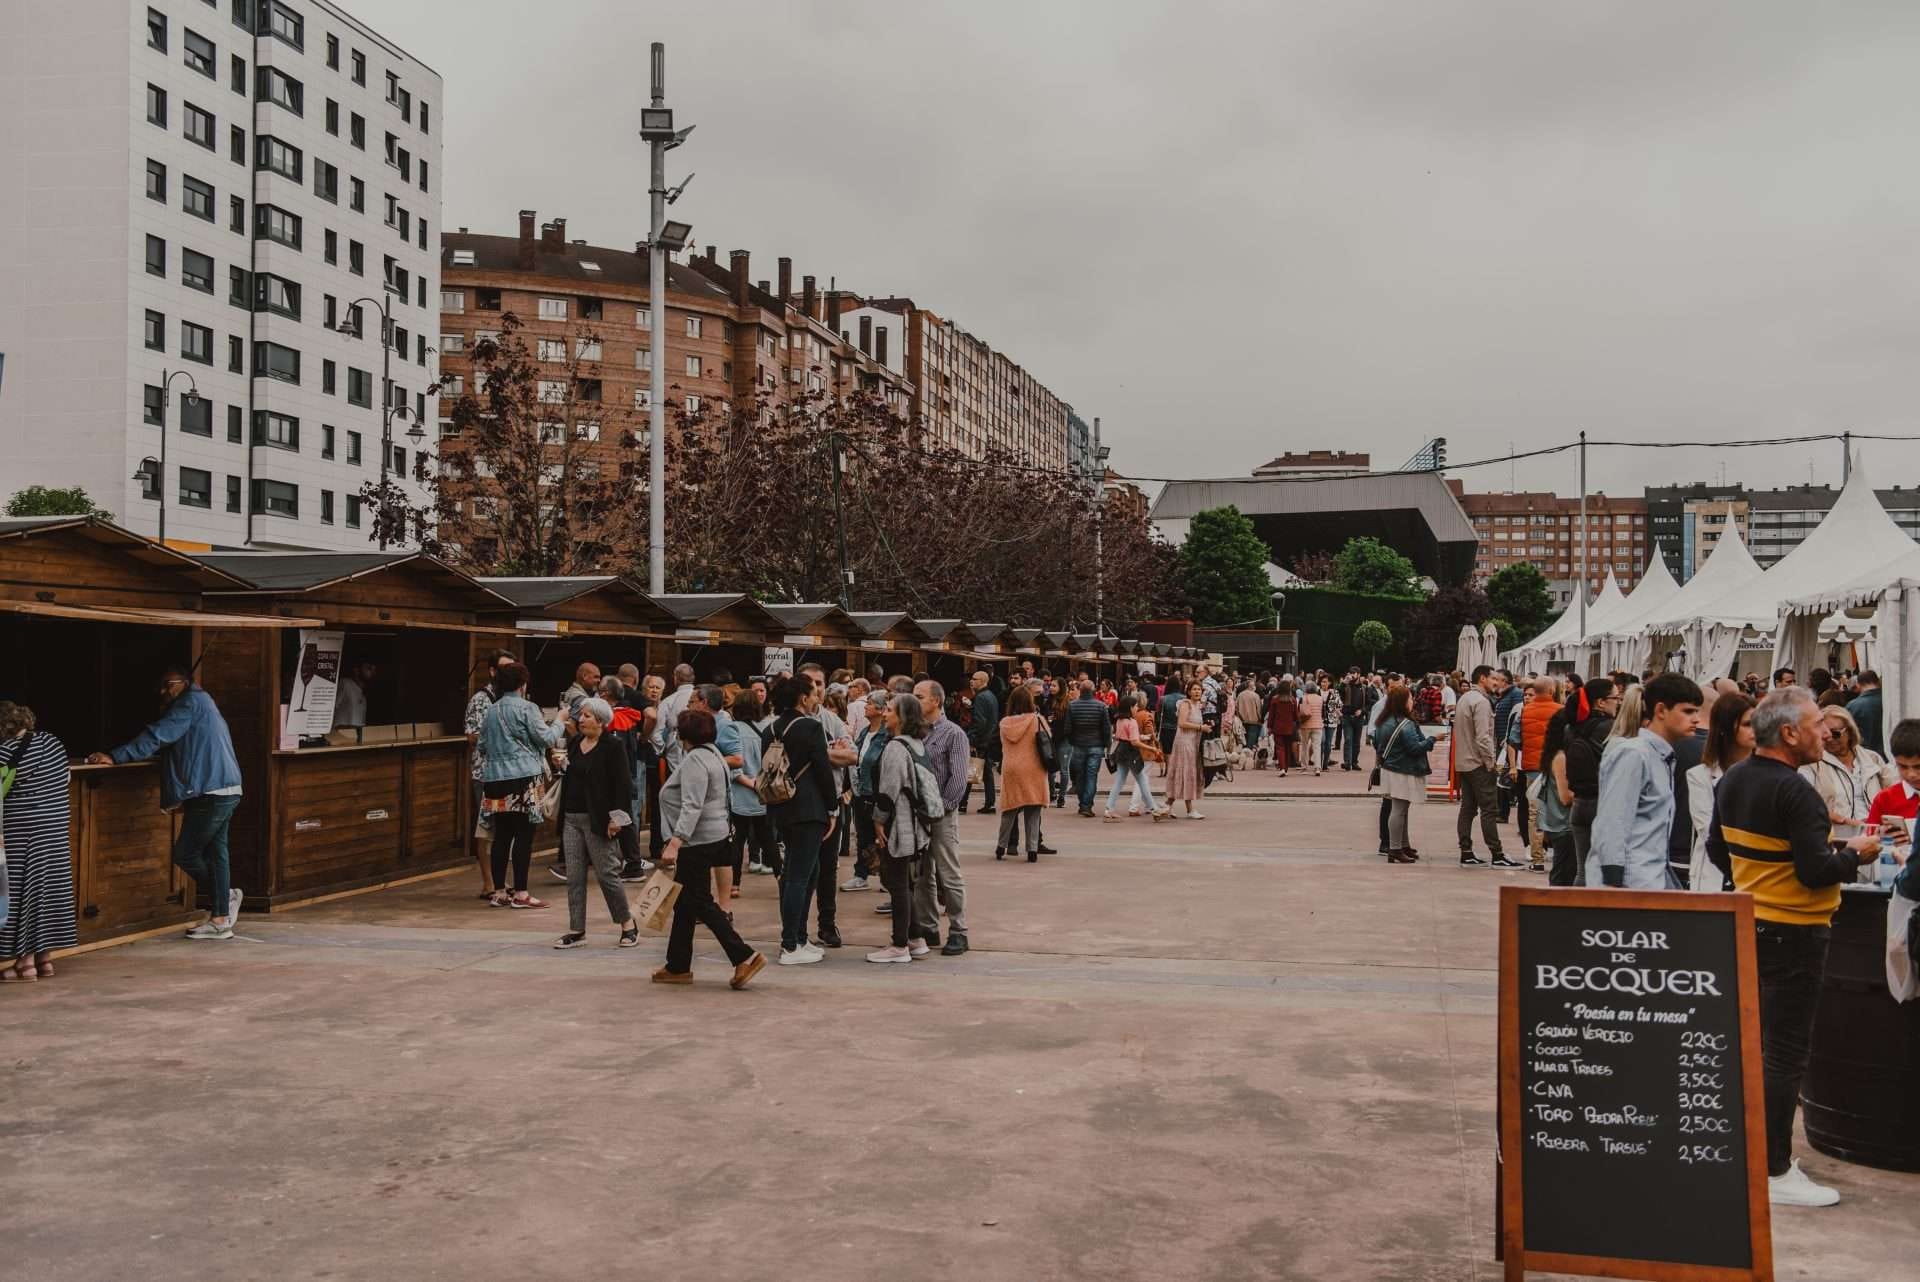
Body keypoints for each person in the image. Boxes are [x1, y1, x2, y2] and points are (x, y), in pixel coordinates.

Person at [1706, 687, 1883, 1207]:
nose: (1824, 732)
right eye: (1814, 724)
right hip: (1796, 934)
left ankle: (1756, 1154)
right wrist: (1855, 853)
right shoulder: (1797, 792)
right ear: (1788, 734)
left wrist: (1757, 882)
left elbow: (1720, 849)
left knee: (1757, 1047)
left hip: (1750, 924)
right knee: (1784, 1054)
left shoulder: (1735, 779)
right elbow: (1815, 871)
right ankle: (1774, 1170)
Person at [87, 666, 245, 939]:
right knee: (217, 853)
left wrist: (116, 756)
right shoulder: (202, 701)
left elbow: (157, 736)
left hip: (211, 789)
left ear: (184, 682)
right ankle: (220, 917)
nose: (163, 691)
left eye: (167, 685)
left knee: (185, 853)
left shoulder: (189, 703)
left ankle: (224, 900)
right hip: (225, 786)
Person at [653, 707, 765, 988]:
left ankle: (744, 956)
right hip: (713, 835)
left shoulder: (695, 761)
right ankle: (677, 965)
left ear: (683, 735)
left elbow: (693, 805)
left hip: (696, 840)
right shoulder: (714, 754)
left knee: (700, 901)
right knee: (685, 903)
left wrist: (675, 842)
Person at [1587, 672, 1704, 889]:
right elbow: (1612, 822)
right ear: (1660, 710)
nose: (1696, 719)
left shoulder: (1660, 755)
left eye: (1697, 711)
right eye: (1688, 711)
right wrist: (1612, 884)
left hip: (1649, 881)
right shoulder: (1635, 753)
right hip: (1630, 887)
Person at [551, 697, 640, 950]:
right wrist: (562, 765)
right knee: (574, 876)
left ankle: (627, 923)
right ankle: (576, 929)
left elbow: (623, 786)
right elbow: (575, 775)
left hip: (599, 818)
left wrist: (617, 819)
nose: (581, 719)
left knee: (606, 874)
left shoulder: (612, 746)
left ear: (600, 721)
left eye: (587, 715)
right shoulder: (577, 742)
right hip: (572, 817)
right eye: (581, 715)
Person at [475, 661, 562, 910]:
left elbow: (481, 746)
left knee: (501, 835)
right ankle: (521, 893)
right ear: (523, 684)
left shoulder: (491, 710)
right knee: (524, 836)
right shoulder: (528, 708)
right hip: (524, 778)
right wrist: (559, 721)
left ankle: (500, 891)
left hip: (494, 779)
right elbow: (546, 739)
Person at [764, 675, 837, 965]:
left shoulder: (769, 728)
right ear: (803, 698)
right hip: (809, 808)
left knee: (808, 870)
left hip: (780, 806)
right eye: (813, 691)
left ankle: (800, 938)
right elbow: (822, 769)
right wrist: (832, 808)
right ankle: (790, 944)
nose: (817, 695)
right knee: (798, 876)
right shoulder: (810, 726)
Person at [0, 703, 76, 980]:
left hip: (21, 831)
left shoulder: (4, 752)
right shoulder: (53, 742)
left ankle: (25, 962)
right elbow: (65, 777)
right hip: (55, 829)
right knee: (49, 889)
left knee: (21, 892)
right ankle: (45, 961)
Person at [866, 693, 935, 963]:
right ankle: (916, 939)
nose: (885, 714)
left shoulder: (896, 747)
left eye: (890, 710)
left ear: (902, 716)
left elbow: (888, 791)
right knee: (905, 882)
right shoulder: (917, 744)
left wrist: (878, 820)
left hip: (899, 823)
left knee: (896, 883)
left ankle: (899, 945)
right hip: (917, 825)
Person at [912, 680, 971, 956]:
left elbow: (959, 777)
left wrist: (944, 807)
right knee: (923, 874)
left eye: (919, 696)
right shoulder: (915, 732)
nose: (915, 700)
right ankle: (928, 926)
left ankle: (959, 930)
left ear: (936, 701)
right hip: (918, 813)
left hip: (942, 814)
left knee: (948, 872)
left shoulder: (953, 734)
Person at [1686, 691, 1754, 893]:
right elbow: (1708, 830)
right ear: (1726, 727)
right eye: (1748, 724)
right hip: (1715, 877)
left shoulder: (1770, 774)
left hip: (1758, 877)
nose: (1757, 730)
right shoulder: (1700, 776)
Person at [463, 650, 517, 898]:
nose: (509, 673)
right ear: (493, 671)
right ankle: (489, 882)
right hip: (485, 773)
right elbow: (472, 736)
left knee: (507, 827)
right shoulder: (481, 699)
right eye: (505, 668)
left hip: (510, 772)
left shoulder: (514, 697)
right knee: (486, 827)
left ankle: (501, 879)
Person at [1801, 705, 1891, 844]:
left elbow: (1893, 791)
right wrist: (1846, 821)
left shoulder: (1872, 758)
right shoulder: (1811, 764)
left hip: (1877, 836)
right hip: (1836, 839)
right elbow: (1807, 805)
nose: (1829, 738)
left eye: (1835, 733)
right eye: (1823, 733)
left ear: (1849, 732)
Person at [1453, 665, 1513, 868]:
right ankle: (1497, 853)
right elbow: (1483, 738)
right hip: (1478, 763)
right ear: (1482, 679)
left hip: (1464, 762)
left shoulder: (1465, 698)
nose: (1497, 683)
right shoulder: (1481, 702)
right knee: (1489, 809)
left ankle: (1466, 851)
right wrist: (1491, 762)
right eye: (1493, 679)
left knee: (1468, 808)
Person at [1562, 677, 1620, 886]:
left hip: (1579, 805)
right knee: (1605, 871)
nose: (1618, 702)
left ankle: (1576, 915)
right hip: (1603, 804)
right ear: (1600, 702)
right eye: (1615, 697)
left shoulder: (1570, 729)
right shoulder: (1610, 728)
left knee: (1583, 871)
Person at [1372, 684, 1433, 864]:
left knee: (1401, 809)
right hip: (1403, 770)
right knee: (1399, 810)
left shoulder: (1384, 721)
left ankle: (1402, 845)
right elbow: (1415, 748)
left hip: (1391, 768)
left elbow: (1377, 744)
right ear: (1402, 702)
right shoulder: (1404, 723)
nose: (1412, 701)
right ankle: (1395, 848)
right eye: (1410, 698)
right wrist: (1431, 740)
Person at [722, 687, 776, 880]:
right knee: (768, 838)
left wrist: (748, 782)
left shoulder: (733, 729)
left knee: (738, 839)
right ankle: (781, 878)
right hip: (765, 793)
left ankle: (735, 883)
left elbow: (733, 765)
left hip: (741, 794)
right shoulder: (769, 728)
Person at [995, 683, 1049, 861]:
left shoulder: (1004, 723)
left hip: (1011, 767)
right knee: (1033, 809)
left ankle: (1001, 847)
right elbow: (1048, 737)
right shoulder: (1037, 719)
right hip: (1033, 767)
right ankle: (1032, 849)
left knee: (1010, 807)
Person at [842, 695, 891, 892]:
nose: (865, 707)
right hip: (860, 791)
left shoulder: (886, 735)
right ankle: (861, 874)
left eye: (870, 704)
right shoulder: (864, 732)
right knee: (863, 836)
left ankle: (888, 878)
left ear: (880, 710)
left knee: (883, 837)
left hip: (877, 793)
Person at [1103, 693, 1168, 821]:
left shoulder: (1119, 720)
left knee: (1120, 781)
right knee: (1142, 780)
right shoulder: (1131, 722)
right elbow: (1134, 742)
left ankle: (1109, 808)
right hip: (1131, 753)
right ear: (1130, 708)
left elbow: (1124, 737)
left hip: (1121, 751)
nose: (1137, 708)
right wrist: (1152, 748)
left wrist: (1142, 738)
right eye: (1135, 706)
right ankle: (1154, 809)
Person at [1518, 678, 1560, 871]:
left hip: (1533, 767)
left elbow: (1516, 738)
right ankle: (1558, 855)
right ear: (1552, 689)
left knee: (1535, 813)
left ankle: (1537, 859)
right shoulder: (1560, 710)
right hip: (1555, 767)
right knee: (1558, 810)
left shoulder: (1525, 710)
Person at [1064, 680, 1111, 817]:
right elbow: (1106, 728)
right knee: (1091, 776)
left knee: (1080, 776)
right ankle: (1087, 805)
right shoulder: (1101, 706)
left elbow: (1067, 728)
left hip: (1078, 745)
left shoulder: (1072, 706)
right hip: (1096, 746)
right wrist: (1107, 744)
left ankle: (1082, 803)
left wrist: (1073, 741)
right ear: (1093, 691)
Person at [1167, 680, 1209, 819]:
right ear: (1189, 691)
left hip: (1192, 743)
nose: (1197, 692)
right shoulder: (1185, 704)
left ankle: (1168, 805)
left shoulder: (1197, 706)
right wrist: (1200, 728)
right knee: (1186, 772)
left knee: (1185, 774)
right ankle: (1189, 809)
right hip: (1184, 743)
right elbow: (1182, 723)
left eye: (1199, 689)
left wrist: (1205, 726)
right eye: (1194, 689)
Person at [967, 669, 1001, 815]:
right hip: (989, 738)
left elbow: (979, 721)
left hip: (981, 740)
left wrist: (972, 739)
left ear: (982, 681)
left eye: (974, 679)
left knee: (971, 770)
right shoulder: (991, 696)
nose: (971, 681)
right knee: (985, 772)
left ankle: (962, 802)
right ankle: (990, 803)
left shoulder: (981, 697)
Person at [1846, 670, 1883, 756]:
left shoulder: (1852, 706)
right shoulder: (1890, 703)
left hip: (1864, 756)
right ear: (1878, 682)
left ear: (1858, 685)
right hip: (1891, 756)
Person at [1265, 680, 1298, 775]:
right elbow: (1296, 715)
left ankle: (1282, 768)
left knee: (1280, 747)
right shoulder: (1293, 700)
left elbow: (1272, 715)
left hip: (1277, 727)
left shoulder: (1275, 699)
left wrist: (1269, 727)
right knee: (1287, 747)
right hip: (1289, 727)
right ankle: (1286, 768)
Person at [335, 659, 374, 736]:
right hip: (340, 737)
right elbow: (331, 709)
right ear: (357, 670)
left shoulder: (364, 693)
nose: (372, 673)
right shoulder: (345, 683)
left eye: (374, 670)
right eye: (369, 668)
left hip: (356, 739)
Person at [1297, 680, 1325, 776]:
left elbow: (1299, 711)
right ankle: (1317, 767)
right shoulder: (1320, 698)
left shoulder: (1303, 698)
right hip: (1318, 725)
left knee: (1304, 746)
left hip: (1305, 725)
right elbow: (1323, 712)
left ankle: (1304, 767)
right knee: (1317, 746)